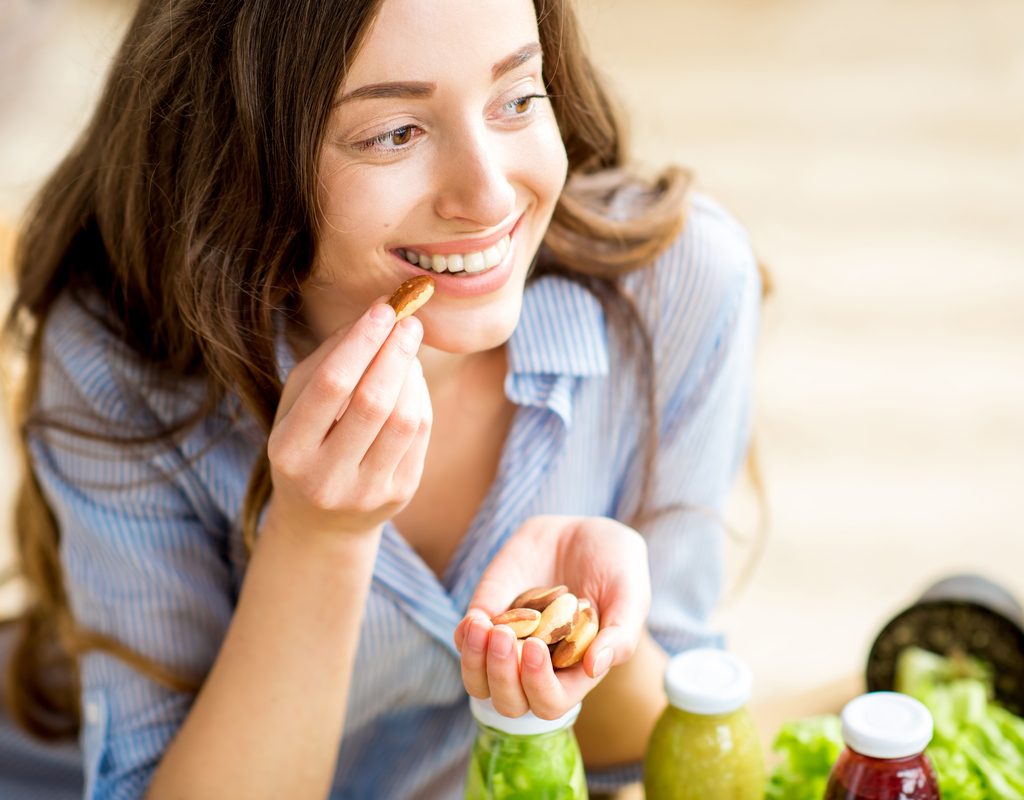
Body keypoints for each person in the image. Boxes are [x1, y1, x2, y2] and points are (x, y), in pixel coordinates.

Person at [1, 0, 763, 797]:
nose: (488, 194)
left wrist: (576, 630)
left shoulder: (680, 286)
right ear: (239, 155)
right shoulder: (119, 359)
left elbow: (657, 738)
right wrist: (319, 536)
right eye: (395, 132)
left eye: (517, 98)